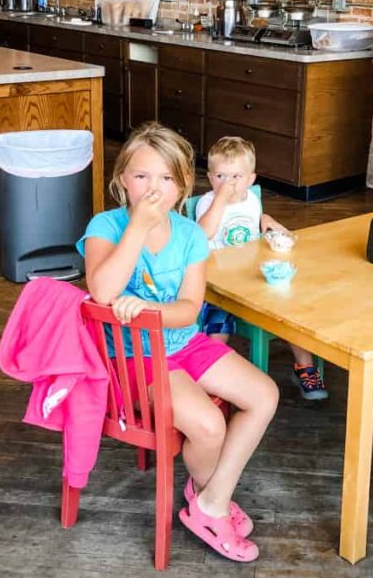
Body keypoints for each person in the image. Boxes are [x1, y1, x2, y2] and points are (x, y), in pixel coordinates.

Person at [78, 122, 278, 563]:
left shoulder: (189, 235)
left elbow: (189, 309)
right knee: (208, 425)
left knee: (264, 394)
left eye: (167, 178)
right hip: (134, 359)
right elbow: (103, 292)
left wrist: (147, 313)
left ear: (184, 185)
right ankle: (213, 503)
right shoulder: (105, 226)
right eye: (142, 176)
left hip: (185, 343)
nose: (154, 188)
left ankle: (210, 501)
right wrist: (137, 229)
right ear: (121, 180)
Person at [195, 136, 329, 401]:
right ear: (211, 178)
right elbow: (202, 234)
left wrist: (266, 219)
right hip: (220, 287)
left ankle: (305, 367)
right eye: (221, 176)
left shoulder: (252, 201)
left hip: (254, 278)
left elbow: (257, 224)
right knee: (217, 328)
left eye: (236, 176)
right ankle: (210, 380)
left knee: (291, 314)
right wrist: (219, 201)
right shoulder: (207, 203)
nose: (228, 183)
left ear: (251, 179)